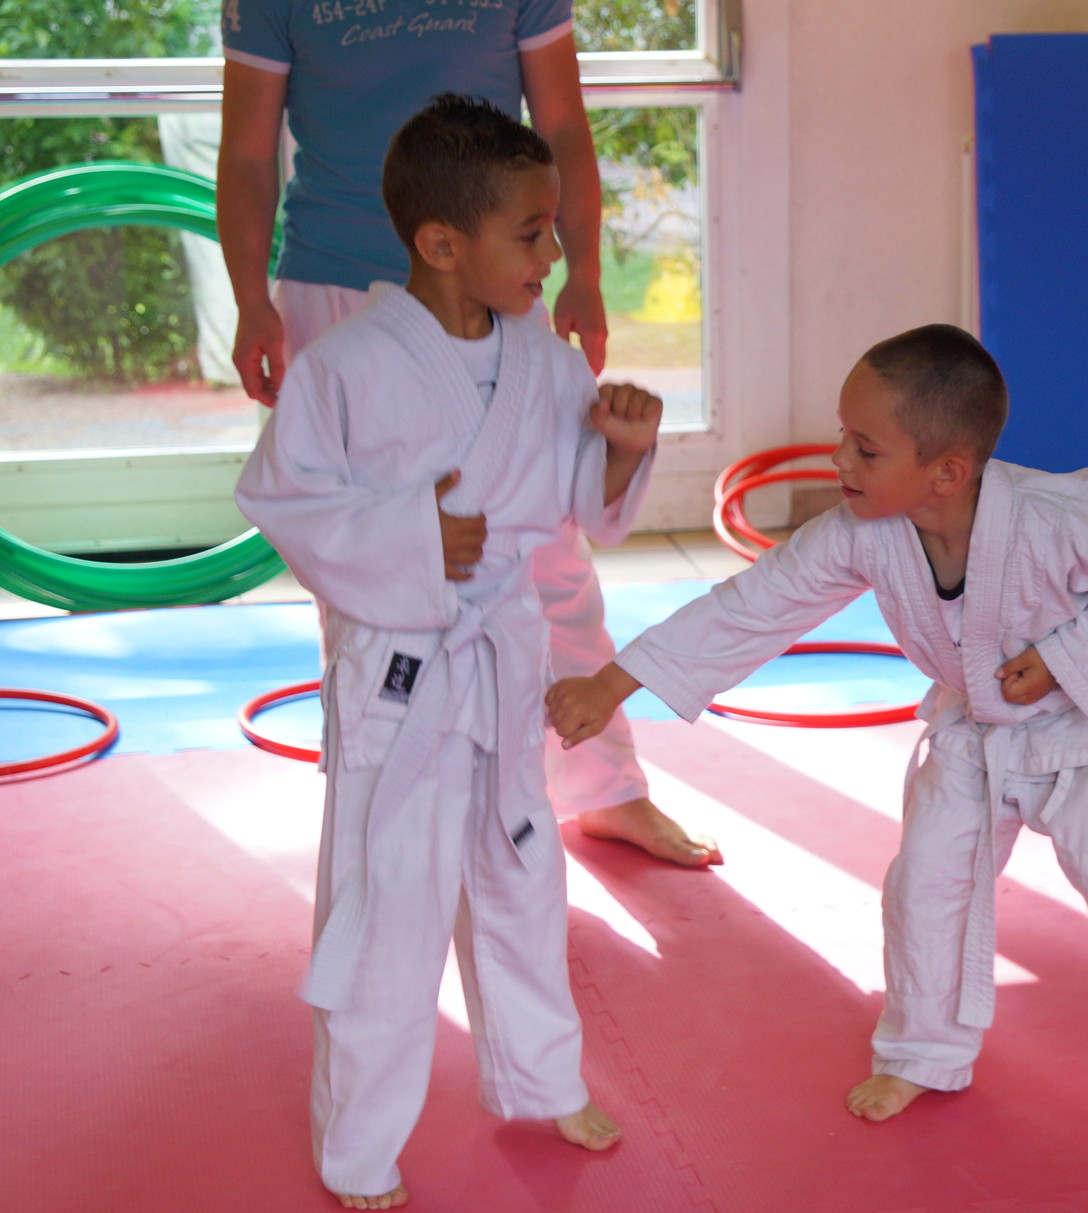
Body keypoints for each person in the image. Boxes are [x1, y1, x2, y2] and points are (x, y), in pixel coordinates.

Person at [545, 324, 1088, 1123]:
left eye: (865, 448)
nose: (839, 460)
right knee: (924, 883)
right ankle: (922, 1051)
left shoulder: (1060, 517)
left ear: (946, 471)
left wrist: (1062, 659)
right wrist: (612, 682)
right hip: (977, 730)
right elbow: (752, 605)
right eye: (842, 436)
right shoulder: (861, 532)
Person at [236, 96, 644, 1208]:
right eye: (533, 234)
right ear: (442, 243)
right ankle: (358, 1147)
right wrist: (413, 536)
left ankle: (541, 1079)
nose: (554, 257)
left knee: (523, 877)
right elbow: (280, 499)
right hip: (399, 678)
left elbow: (585, 505)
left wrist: (620, 449)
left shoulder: (545, 364)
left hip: (502, 661)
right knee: (390, 908)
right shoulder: (346, 367)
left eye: (551, 232)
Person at [217, 0, 718, 867]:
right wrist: (250, 298)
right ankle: (377, 795)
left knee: (546, 547)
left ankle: (604, 785)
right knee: (364, 565)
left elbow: (561, 125)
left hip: (496, 271)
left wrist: (582, 269)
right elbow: (249, 152)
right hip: (336, 281)